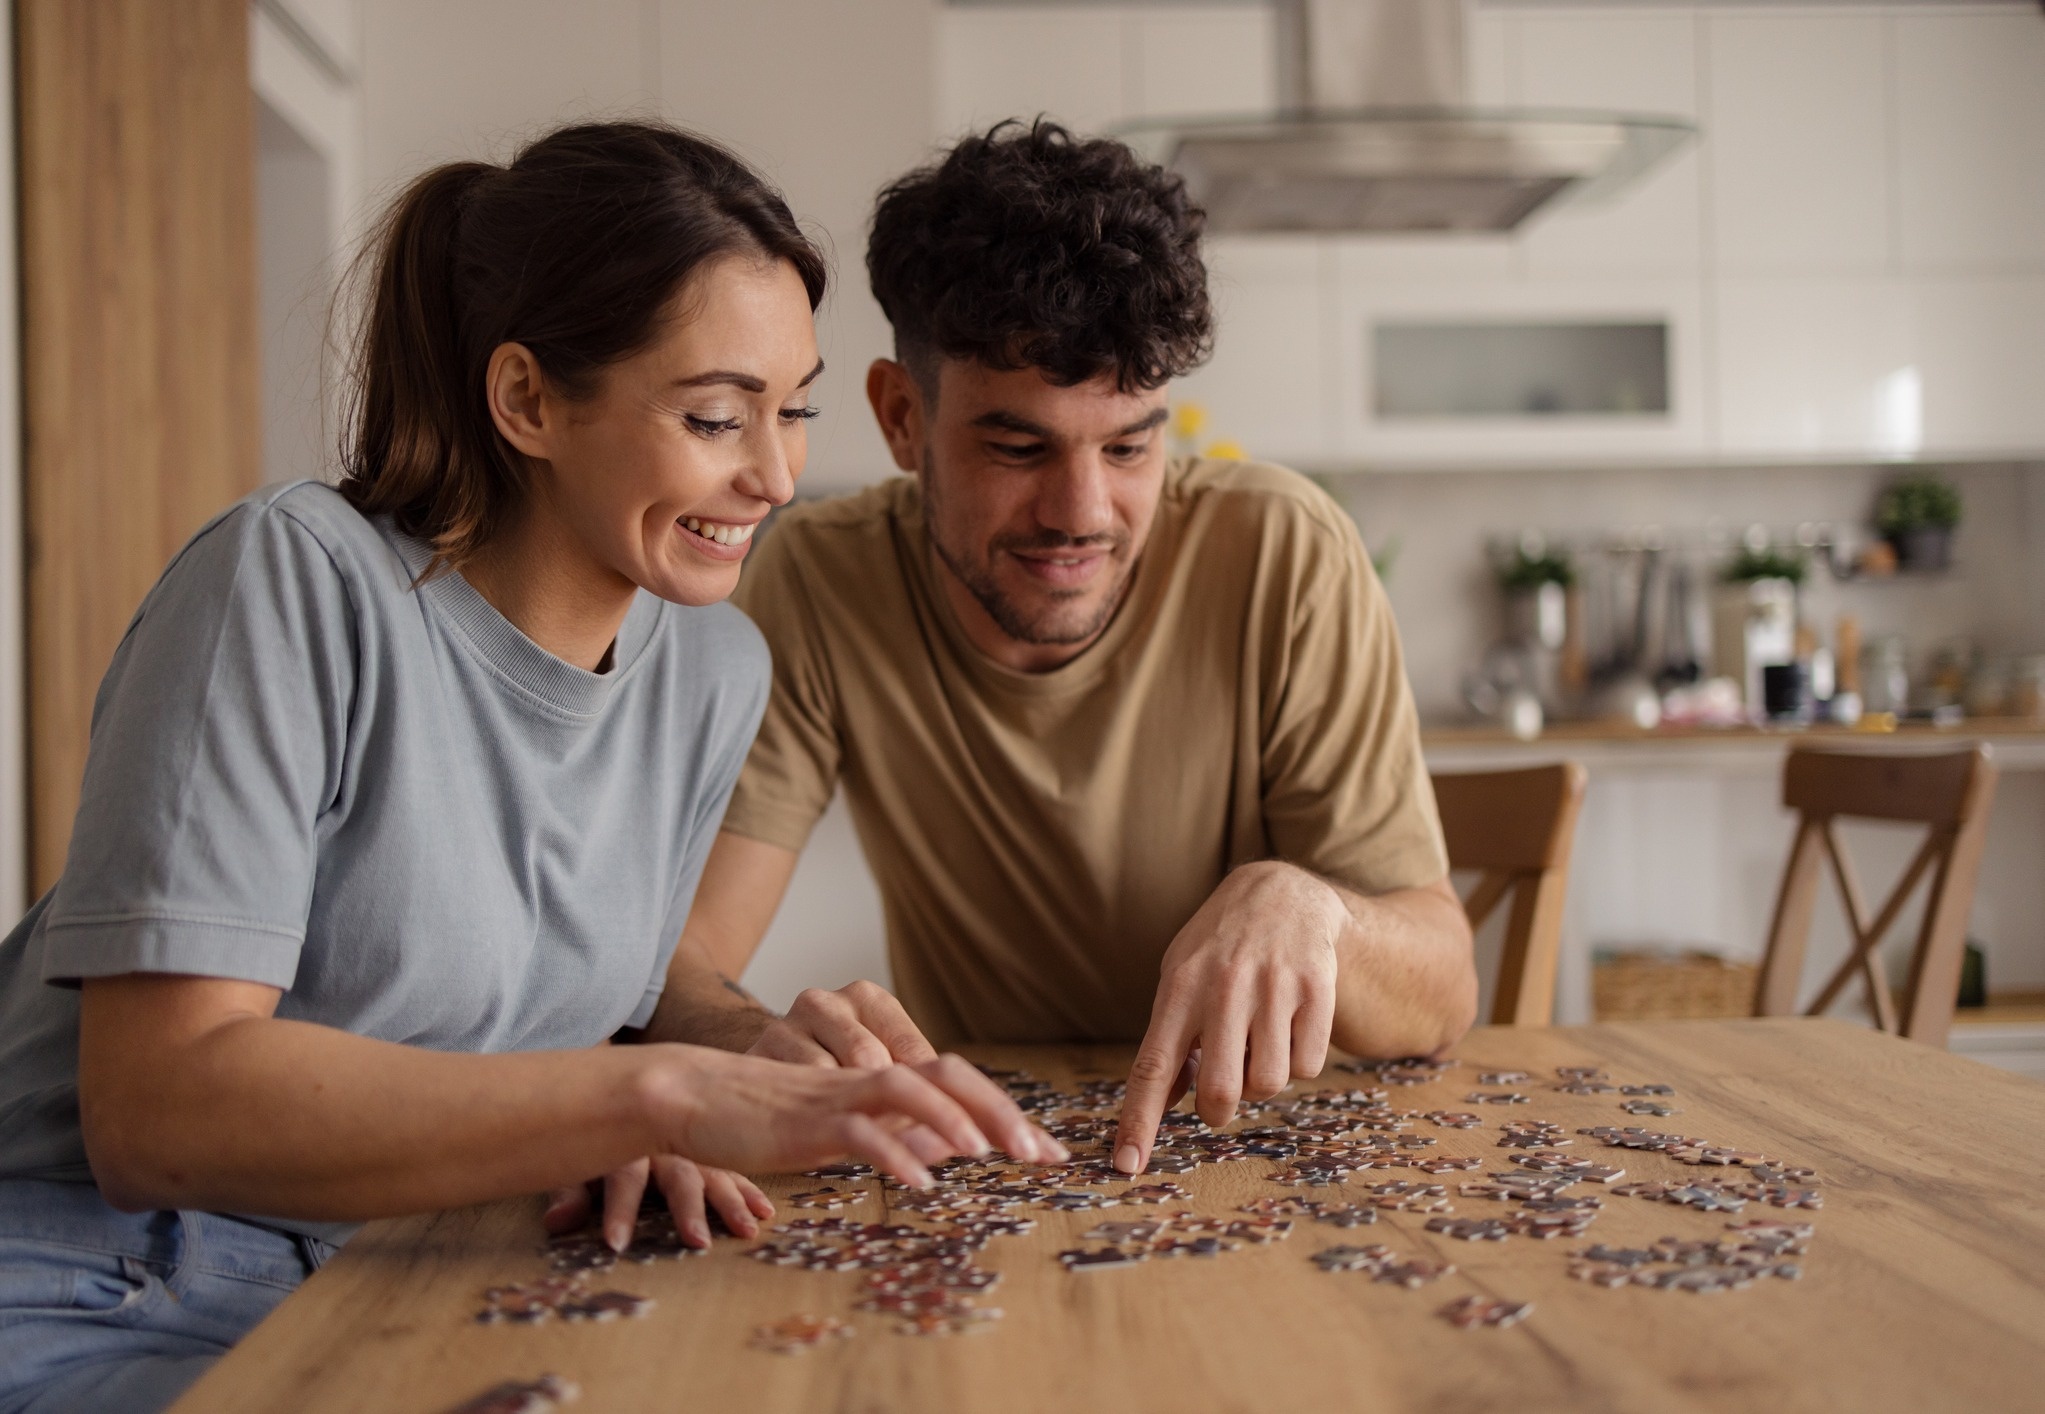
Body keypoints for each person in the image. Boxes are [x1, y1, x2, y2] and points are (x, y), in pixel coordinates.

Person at [0, 121, 1061, 1414]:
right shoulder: (290, 578)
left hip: (431, 1265)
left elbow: (584, 985)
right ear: (526, 400)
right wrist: (648, 1096)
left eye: (793, 411)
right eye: (717, 414)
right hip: (106, 1273)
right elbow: (157, 1107)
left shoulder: (711, 666)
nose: (776, 474)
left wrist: (759, 1049)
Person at [642, 120, 1477, 1179]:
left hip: (1280, 1156)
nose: (1082, 513)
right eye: (1016, 446)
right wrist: (742, 1041)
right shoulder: (815, 576)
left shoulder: (1281, 551)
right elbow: (684, 955)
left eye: (1129, 445)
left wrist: (1313, 907)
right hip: (990, 1163)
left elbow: (1444, 990)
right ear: (902, 420)